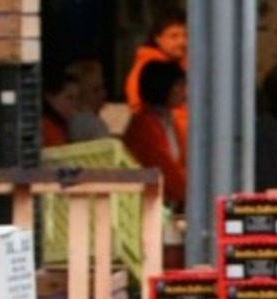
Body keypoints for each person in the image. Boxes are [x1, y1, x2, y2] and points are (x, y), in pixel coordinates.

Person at [123, 60, 187, 210]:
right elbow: (165, 169)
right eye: (178, 85)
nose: (183, 91)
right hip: (146, 204)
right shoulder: (145, 125)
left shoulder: (167, 119)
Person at [125, 6, 188, 149]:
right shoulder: (149, 67)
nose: (182, 42)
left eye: (186, 35)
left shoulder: (183, 63)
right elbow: (138, 106)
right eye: (174, 36)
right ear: (158, 38)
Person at [65, 59, 111, 142]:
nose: (103, 94)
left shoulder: (63, 122)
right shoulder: (92, 126)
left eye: (102, 87)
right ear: (79, 95)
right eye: (96, 90)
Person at [42, 70, 80, 148]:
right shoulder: (45, 129)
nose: (75, 104)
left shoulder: (63, 126)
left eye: (77, 98)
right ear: (51, 98)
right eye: (69, 98)